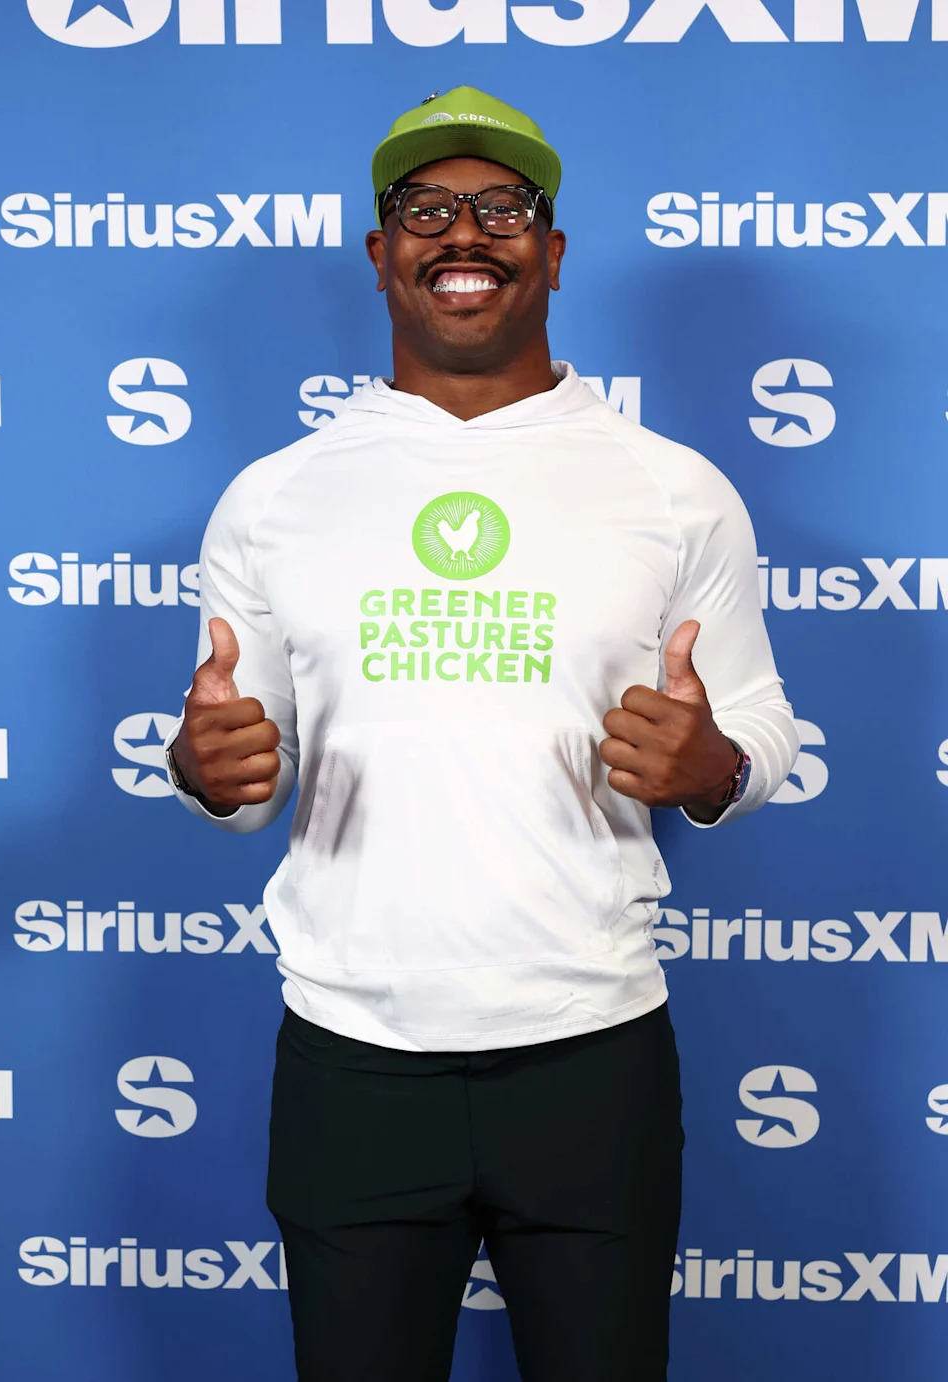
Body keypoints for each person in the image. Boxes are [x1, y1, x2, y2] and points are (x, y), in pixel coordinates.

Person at [166, 87, 798, 1382]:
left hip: (593, 1052)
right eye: (427, 209)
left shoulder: (674, 488)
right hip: (353, 1058)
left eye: (502, 208)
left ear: (553, 251)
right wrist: (203, 775)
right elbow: (236, 771)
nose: (466, 232)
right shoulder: (274, 499)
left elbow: (764, 730)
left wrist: (714, 766)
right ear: (382, 253)